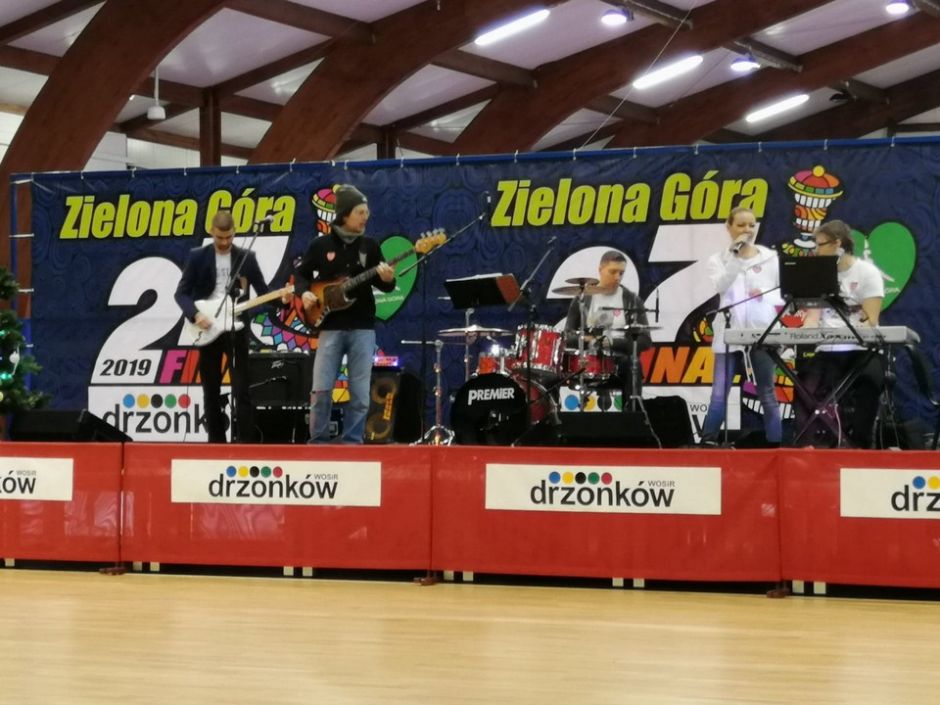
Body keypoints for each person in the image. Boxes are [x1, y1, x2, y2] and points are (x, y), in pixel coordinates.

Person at [175, 210, 291, 443]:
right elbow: (181, 294)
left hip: (236, 329)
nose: (224, 242)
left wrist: (283, 300)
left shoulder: (246, 258)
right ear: (211, 232)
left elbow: (263, 291)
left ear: (234, 233)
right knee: (211, 390)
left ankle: (246, 444)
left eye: (228, 237)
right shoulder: (198, 257)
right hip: (208, 328)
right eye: (219, 237)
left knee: (242, 389)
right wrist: (195, 314)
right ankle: (215, 442)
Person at [295, 184, 395, 444]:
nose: (365, 217)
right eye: (360, 212)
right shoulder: (320, 245)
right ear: (344, 214)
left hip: (363, 326)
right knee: (321, 389)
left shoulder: (370, 246)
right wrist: (304, 293)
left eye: (366, 212)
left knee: (360, 392)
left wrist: (388, 279)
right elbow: (301, 275)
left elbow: (385, 285)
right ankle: (318, 443)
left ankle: (353, 443)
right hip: (330, 325)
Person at [794, 220, 885, 448]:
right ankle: (808, 445)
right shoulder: (818, 274)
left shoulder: (867, 273)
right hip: (827, 350)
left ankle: (860, 444)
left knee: (870, 382)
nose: (816, 251)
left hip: (861, 349)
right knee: (805, 385)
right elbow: (813, 318)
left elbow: (871, 320)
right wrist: (800, 333)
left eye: (820, 245)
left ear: (838, 244)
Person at [700, 206, 783, 446]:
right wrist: (736, 257)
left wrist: (763, 294)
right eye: (741, 225)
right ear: (729, 228)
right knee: (719, 392)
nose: (747, 230)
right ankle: (708, 440)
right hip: (729, 332)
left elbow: (781, 294)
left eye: (751, 225)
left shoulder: (770, 258)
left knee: (767, 391)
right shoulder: (718, 260)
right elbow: (722, 287)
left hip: (761, 331)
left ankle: (775, 442)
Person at [564, 250, 651, 399]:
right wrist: (587, 340)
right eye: (613, 272)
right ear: (600, 270)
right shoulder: (582, 300)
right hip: (589, 359)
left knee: (633, 364)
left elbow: (645, 340)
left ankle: (632, 410)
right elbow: (567, 336)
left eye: (621, 273)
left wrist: (612, 343)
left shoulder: (632, 300)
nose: (617, 277)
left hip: (620, 361)